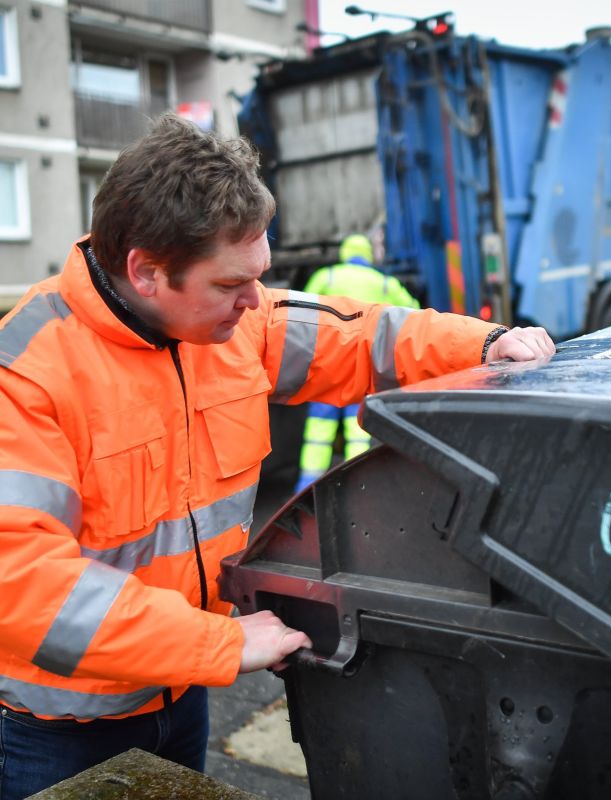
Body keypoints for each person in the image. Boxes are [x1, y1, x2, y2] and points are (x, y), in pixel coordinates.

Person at [0, 114, 555, 798]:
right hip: (61, 730)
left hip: (185, 695)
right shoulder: (25, 372)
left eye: (259, 278)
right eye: (231, 283)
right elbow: (21, 585)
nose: (254, 301)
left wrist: (483, 345)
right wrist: (222, 646)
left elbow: (359, 338)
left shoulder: (236, 322)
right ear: (145, 270)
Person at [294, 233, 420, 492]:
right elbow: (413, 311)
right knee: (357, 429)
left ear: (344, 253)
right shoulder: (384, 283)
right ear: (367, 254)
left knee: (318, 430)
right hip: (360, 366)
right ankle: (357, 486)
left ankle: (305, 487)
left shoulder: (326, 277)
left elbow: (297, 312)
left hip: (324, 365)